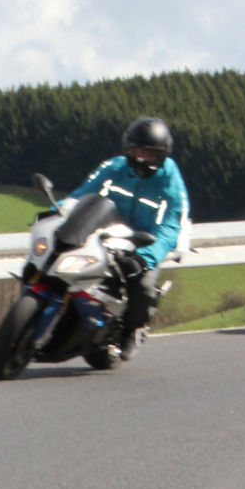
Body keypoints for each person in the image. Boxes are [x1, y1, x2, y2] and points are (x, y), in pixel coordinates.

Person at [64, 116, 188, 358]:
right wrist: (59, 212)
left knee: (142, 285)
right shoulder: (114, 167)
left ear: (162, 154)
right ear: (128, 150)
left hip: (148, 240)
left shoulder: (171, 182)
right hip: (111, 232)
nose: (143, 159)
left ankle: (133, 329)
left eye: (150, 154)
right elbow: (82, 194)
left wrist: (146, 258)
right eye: (138, 152)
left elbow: (172, 226)